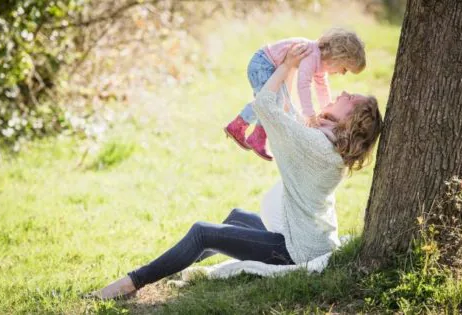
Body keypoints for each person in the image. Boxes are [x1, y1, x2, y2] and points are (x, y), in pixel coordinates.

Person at [85, 43, 382, 300]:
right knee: (236, 217)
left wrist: (288, 65)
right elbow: (291, 113)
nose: (343, 91)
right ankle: (169, 266)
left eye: (351, 98)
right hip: (308, 237)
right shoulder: (328, 143)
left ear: (351, 120)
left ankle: (131, 283)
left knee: (203, 232)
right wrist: (292, 70)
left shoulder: (317, 145)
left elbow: (266, 104)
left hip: (296, 250)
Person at [224, 27, 366, 161]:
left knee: (273, 102)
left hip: (268, 66)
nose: (342, 73)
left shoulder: (320, 62)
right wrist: (309, 114)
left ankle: (257, 136)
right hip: (263, 64)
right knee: (269, 101)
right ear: (339, 57)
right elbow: (303, 85)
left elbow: (322, 87)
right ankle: (241, 127)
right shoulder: (312, 54)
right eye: (345, 69)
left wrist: (326, 109)